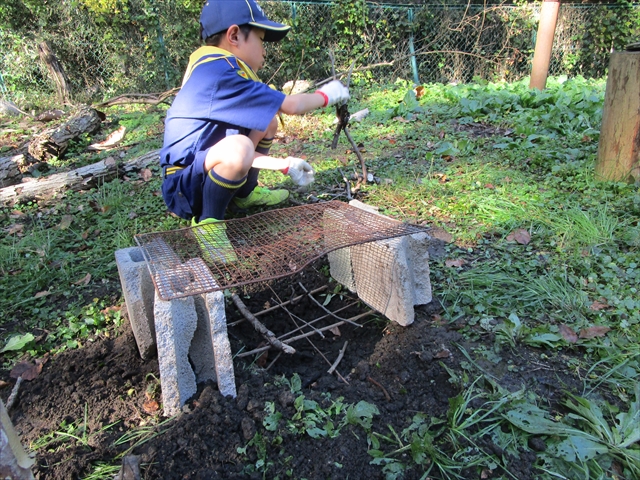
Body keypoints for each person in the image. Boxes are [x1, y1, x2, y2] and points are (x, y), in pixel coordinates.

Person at [160, 0, 350, 230]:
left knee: (266, 121)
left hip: (203, 170)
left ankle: (244, 194)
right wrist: (328, 95)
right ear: (234, 35)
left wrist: (285, 165)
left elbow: (242, 150)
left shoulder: (218, 68)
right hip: (184, 189)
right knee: (240, 144)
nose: (264, 50)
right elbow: (292, 106)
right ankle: (208, 223)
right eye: (260, 39)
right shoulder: (219, 74)